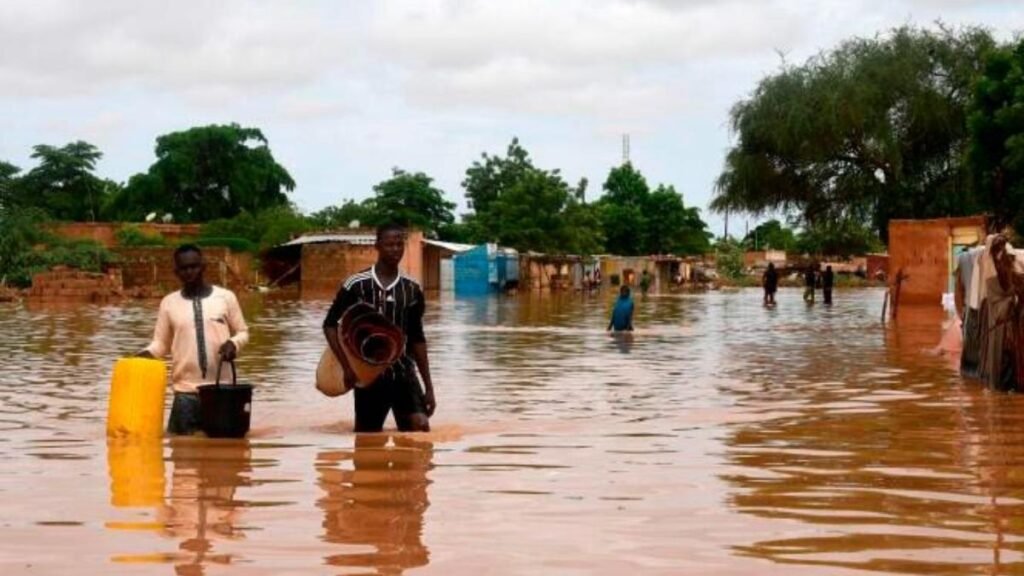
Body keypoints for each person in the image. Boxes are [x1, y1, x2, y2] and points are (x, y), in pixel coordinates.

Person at [322, 223, 437, 433]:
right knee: (366, 440)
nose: (395, 249)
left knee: (420, 428)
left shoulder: (412, 289)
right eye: (389, 244)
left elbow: (417, 338)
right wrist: (347, 367)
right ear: (377, 246)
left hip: (403, 374)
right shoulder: (356, 285)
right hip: (368, 377)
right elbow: (329, 325)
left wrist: (429, 387)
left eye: (399, 244)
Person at [138, 244, 250, 435]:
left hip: (221, 392)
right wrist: (142, 356)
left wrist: (233, 343)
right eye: (184, 268)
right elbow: (161, 344)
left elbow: (243, 332)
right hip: (185, 394)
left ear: (203, 267)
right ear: (176, 272)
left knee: (224, 456)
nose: (189, 272)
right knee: (182, 455)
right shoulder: (169, 303)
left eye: (194, 266)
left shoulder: (225, 297)